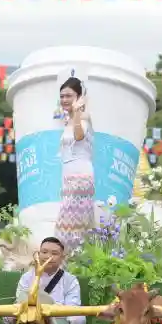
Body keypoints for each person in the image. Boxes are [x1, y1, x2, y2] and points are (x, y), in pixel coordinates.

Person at [53, 76, 95, 250]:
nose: (64, 100)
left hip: (81, 177)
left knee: (69, 225)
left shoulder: (84, 118)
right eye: (62, 96)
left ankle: (67, 262)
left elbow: (79, 136)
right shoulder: (67, 120)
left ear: (79, 97)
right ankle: (72, 262)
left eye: (68, 96)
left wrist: (77, 112)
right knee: (70, 224)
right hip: (69, 176)